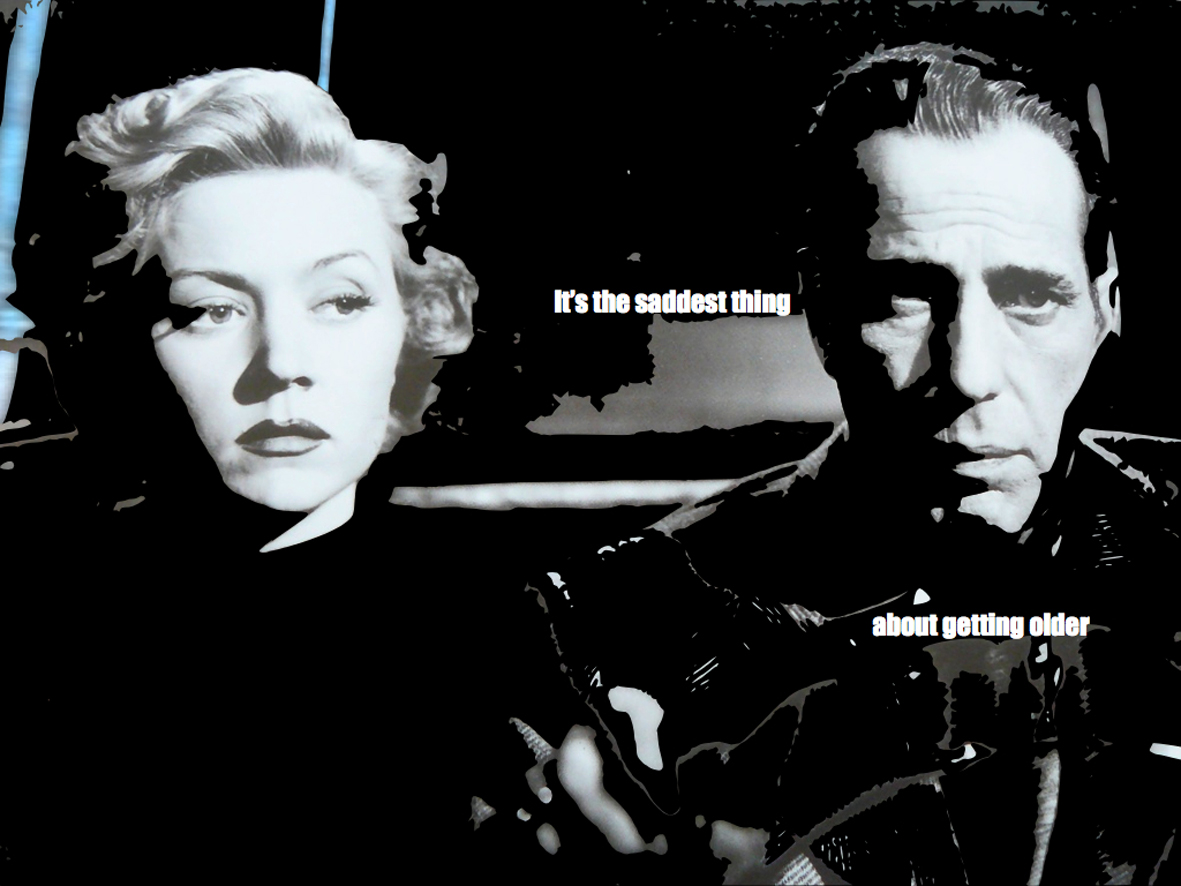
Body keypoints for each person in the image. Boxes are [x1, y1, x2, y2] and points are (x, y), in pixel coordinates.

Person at [471, 44, 1180, 884]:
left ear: (1105, 302)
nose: (969, 373)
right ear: (819, 309)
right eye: (903, 297)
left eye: (1030, 296)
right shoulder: (604, 637)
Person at [3, 68, 483, 878]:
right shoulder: (42, 652)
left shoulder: (495, 637)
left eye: (340, 300)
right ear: (113, 343)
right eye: (209, 310)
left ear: (408, 326)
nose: (282, 363)